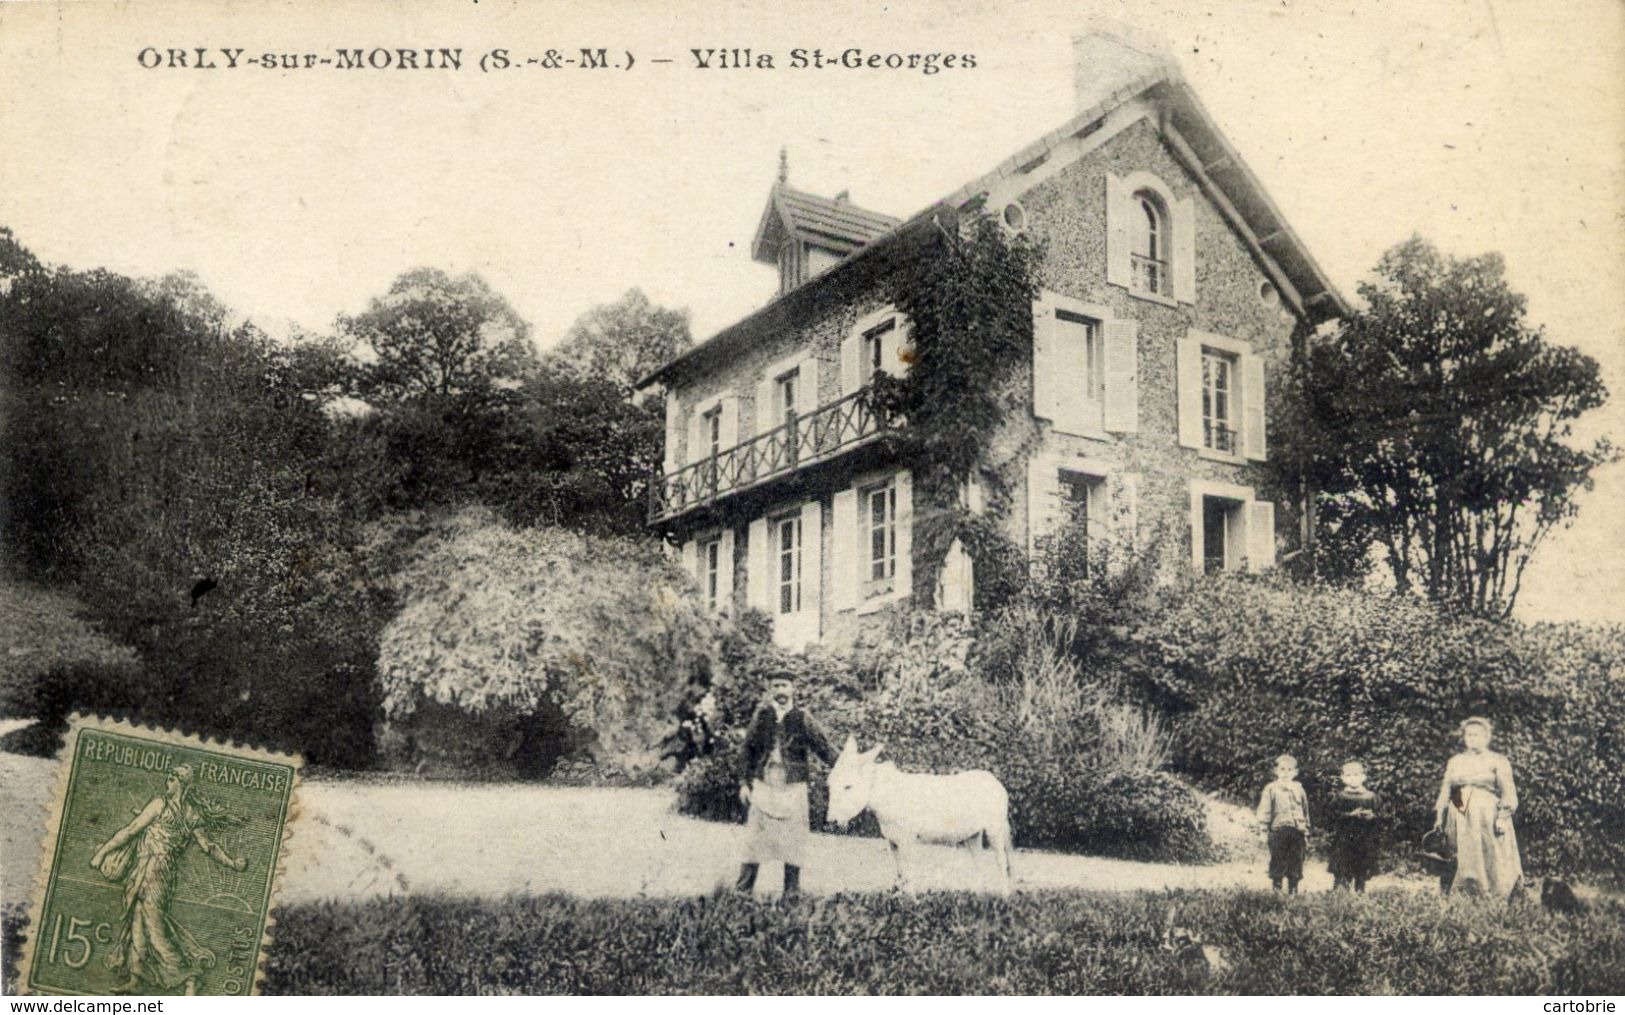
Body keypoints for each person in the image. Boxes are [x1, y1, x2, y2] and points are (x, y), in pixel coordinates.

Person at [89, 764, 248, 995]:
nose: (167, 781)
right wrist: (232, 862)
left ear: (182, 783)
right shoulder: (189, 812)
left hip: (157, 871)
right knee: (138, 920)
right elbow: (207, 847)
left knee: (154, 925)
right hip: (150, 869)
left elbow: (132, 830)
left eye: (172, 778)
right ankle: (136, 978)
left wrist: (101, 853)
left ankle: (189, 975)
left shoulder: (161, 805)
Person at [734, 669, 838, 898]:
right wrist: (744, 783)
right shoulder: (762, 716)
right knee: (754, 839)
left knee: (794, 840)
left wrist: (846, 768)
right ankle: (742, 892)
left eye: (784, 685)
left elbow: (825, 748)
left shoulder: (802, 718)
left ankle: (791, 893)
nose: (780, 691)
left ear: (793, 689)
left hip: (793, 785)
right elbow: (747, 751)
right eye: (776, 686)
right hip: (765, 783)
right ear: (770, 690)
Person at [1433, 716, 1523, 899]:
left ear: (1486, 737)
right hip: (1459, 807)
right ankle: (1464, 891)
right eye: (1469, 735)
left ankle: (1493, 892)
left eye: (1477, 735)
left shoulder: (1498, 760)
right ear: (1464, 738)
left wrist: (1502, 817)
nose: (1473, 738)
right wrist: (1439, 817)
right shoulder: (1456, 761)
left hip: (1486, 810)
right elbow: (1446, 789)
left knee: (1490, 850)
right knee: (1460, 851)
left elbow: (1508, 792)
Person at [1256, 754, 1309, 895]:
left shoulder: (1299, 789)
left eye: (1289, 769)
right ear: (1276, 771)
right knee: (1278, 859)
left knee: (1296, 860)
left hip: (1297, 831)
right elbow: (1265, 811)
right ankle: (1277, 889)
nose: (1285, 773)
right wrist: (1263, 831)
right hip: (1279, 831)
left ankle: (1293, 889)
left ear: (1295, 772)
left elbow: (1304, 811)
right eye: (1282, 769)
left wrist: (1306, 831)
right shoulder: (1271, 789)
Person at [1327, 760, 1382, 893]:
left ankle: (1359, 892)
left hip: (1364, 840)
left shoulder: (1371, 797)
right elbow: (1331, 816)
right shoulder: (1340, 797)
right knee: (1343, 866)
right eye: (1349, 775)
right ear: (1343, 778)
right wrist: (1350, 815)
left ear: (1363, 777)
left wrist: (1372, 817)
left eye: (1356, 775)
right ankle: (1340, 893)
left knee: (1361, 867)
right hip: (1344, 839)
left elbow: (1381, 817)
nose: (1353, 779)